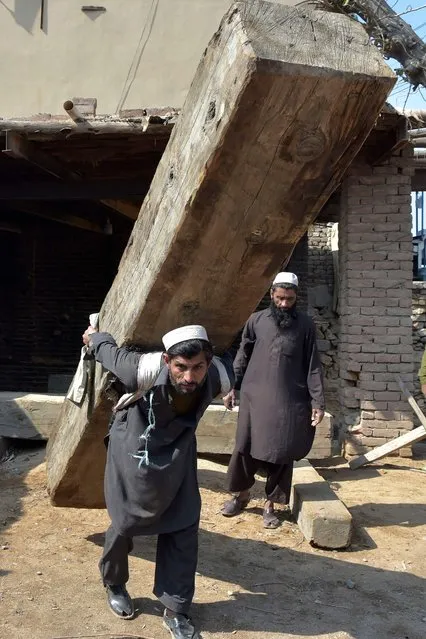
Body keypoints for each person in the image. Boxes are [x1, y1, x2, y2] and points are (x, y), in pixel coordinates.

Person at [82, 324, 234, 639]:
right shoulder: (140, 368)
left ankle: (176, 609)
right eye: (181, 368)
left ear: (208, 361)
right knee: (126, 520)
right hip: (134, 447)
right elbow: (108, 352)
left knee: (183, 522)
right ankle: (114, 579)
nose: (189, 378)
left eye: (197, 368)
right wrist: (94, 336)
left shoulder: (219, 374)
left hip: (178, 452)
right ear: (167, 362)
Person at [221, 272, 325, 529]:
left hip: (290, 399)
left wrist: (318, 401)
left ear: (296, 297)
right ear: (271, 295)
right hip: (254, 397)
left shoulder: (305, 325)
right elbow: (242, 356)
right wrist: (231, 386)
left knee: (281, 452)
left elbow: (313, 365)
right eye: (279, 298)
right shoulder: (256, 321)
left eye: (289, 299)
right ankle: (242, 495)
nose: (284, 304)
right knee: (245, 447)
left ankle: (270, 504)